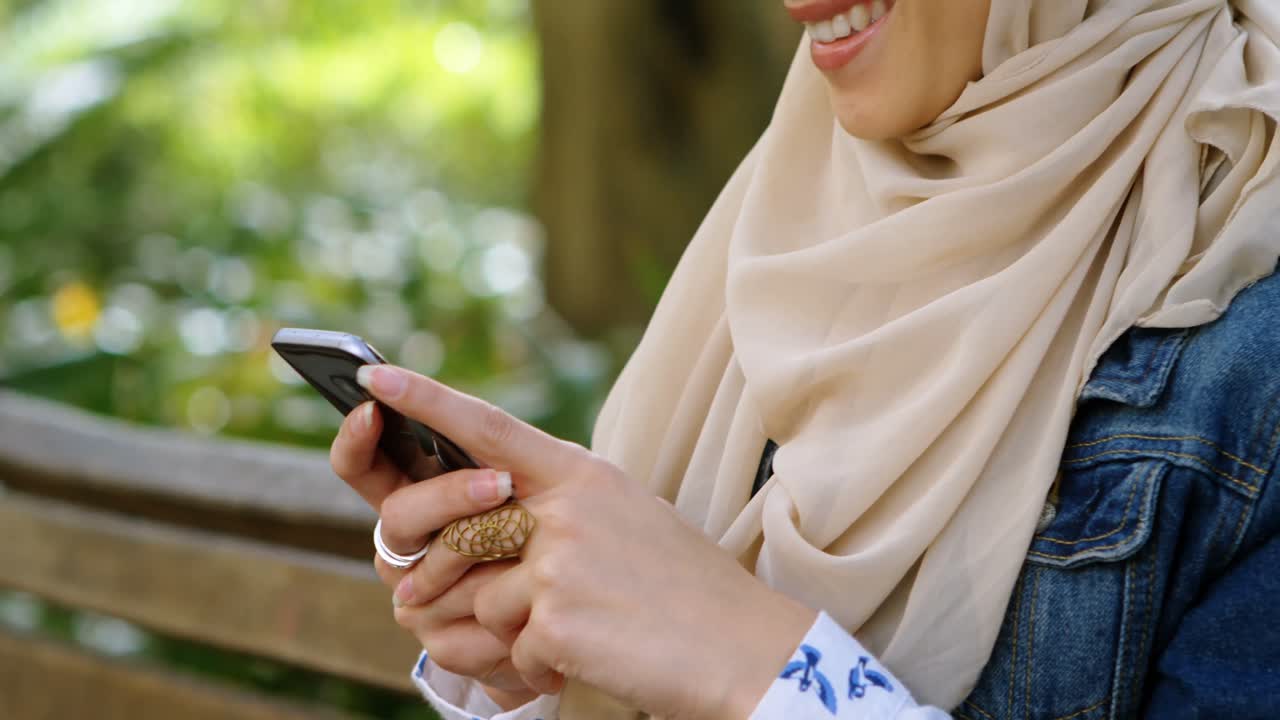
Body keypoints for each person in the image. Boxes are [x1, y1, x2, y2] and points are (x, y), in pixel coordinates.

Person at [328, 0, 1280, 717]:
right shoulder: (788, 214)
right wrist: (529, 655)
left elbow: (718, 646)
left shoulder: (1252, 332)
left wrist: (756, 662)